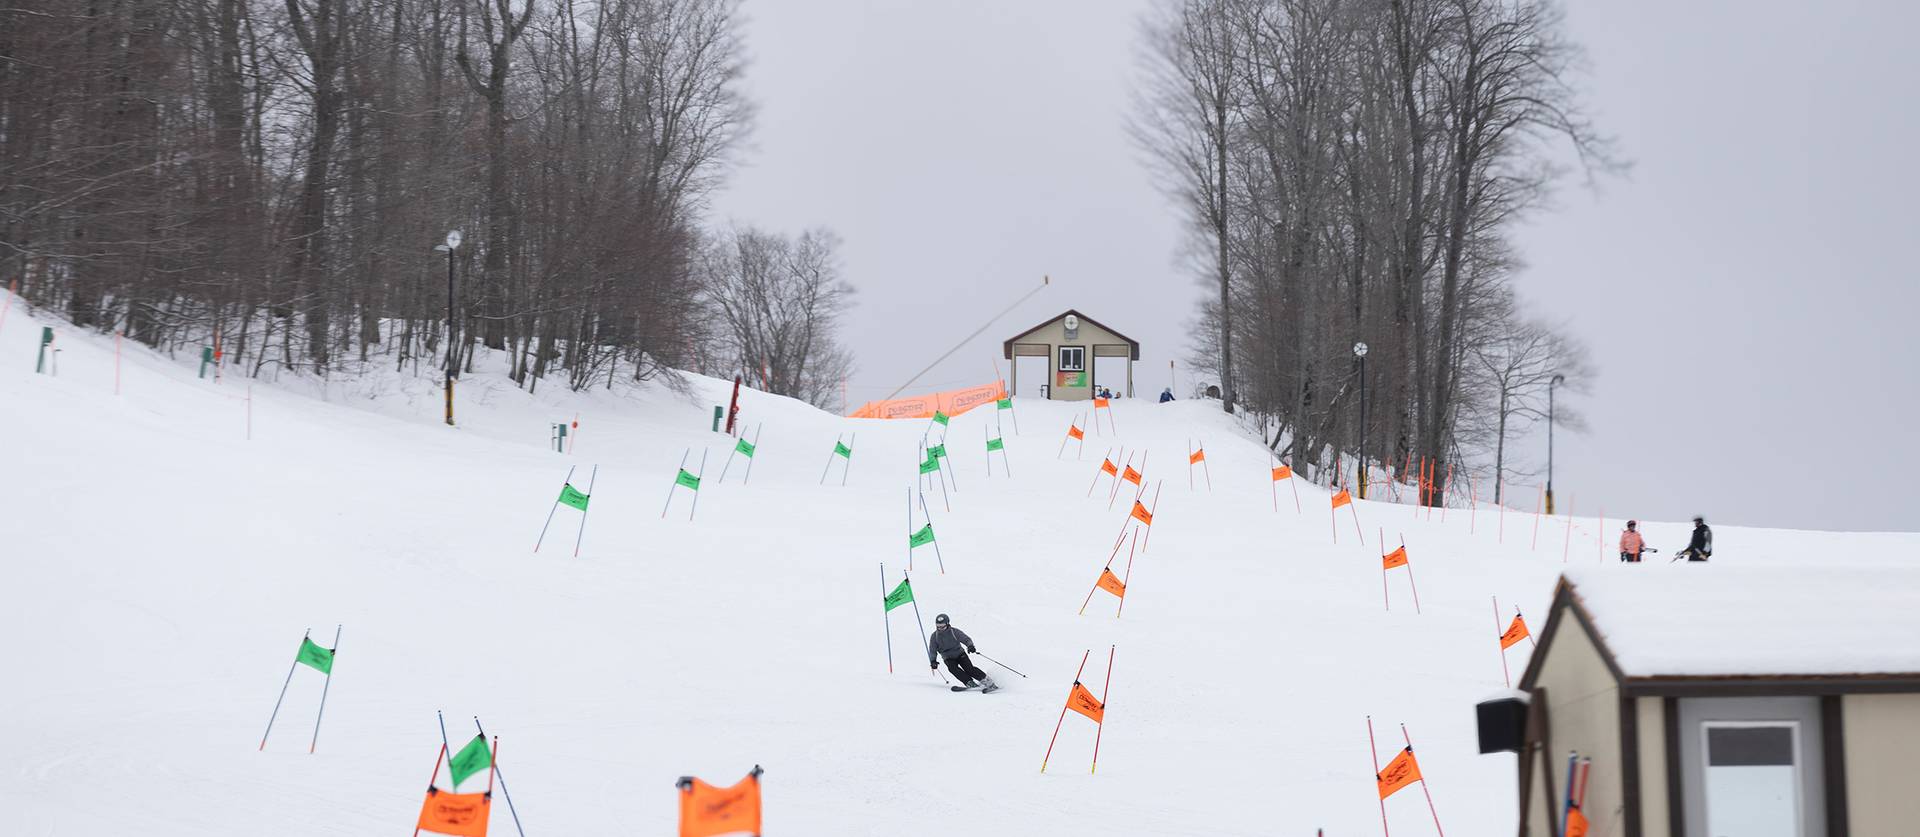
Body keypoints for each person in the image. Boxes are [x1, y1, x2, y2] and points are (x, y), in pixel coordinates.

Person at [928, 613, 996, 692]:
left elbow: (966, 639)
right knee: (953, 669)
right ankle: (969, 683)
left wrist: (970, 646)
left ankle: (988, 682)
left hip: (960, 654)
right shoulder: (934, 636)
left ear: (947, 623)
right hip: (948, 657)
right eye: (938, 626)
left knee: (969, 669)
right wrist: (933, 661)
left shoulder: (954, 632)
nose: (940, 628)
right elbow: (932, 650)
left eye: (942, 625)